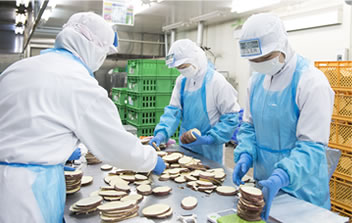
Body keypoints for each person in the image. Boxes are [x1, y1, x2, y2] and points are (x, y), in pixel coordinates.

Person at [0, 12, 165, 223]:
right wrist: (151, 160)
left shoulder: (19, 68)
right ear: (94, 49)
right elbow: (116, 146)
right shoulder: (80, 83)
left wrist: (56, 150)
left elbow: (27, 123)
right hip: (25, 195)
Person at [232, 13, 334, 220]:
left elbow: (312, 146)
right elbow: (249, 126)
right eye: (253, 60)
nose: (258, 64)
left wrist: (283, 175)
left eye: (264, 58)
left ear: (281, 46)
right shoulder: (256, 81)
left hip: (304, 192)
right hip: (264, 184)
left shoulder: (312, 82)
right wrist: (246, 153)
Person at [149, 39, 241, 163]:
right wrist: (162, 133)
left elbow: (231, 118)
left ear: (195, 59)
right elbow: (173, 112)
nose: (181, 70)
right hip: (186, 147)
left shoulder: (216, 82)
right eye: (178, 68)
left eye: (183, 66)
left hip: (210, 151)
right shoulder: (182, 81)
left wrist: (210, 138)